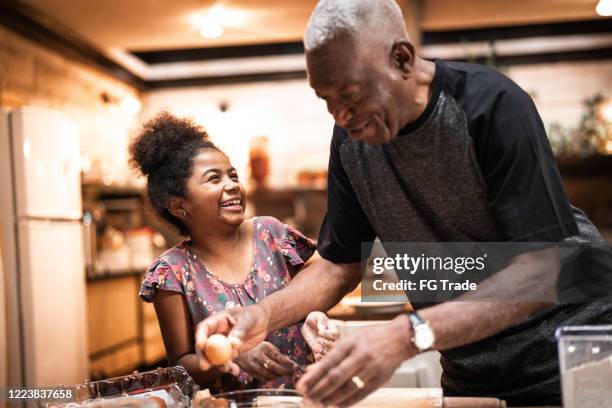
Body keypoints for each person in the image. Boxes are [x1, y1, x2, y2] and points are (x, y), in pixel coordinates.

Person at [194, 0, 612, 406]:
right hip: (473, 369)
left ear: (402, 59)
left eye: (352, 95)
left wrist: (404, 334)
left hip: (575, 353)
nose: (342, 115)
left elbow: (541, 269)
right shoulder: (351, 144)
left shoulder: (490, 105)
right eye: (327, 101)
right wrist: (261, 315)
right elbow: (339, 265)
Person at [128, 112, 338, 394]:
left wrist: (314, 314)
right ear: (179, 206)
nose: (232, 185)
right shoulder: (172, 271)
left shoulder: (271, 234)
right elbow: (179, 367)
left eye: (233, 175)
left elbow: (317, 281)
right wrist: (230, 355)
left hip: (301, 397)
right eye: (214, 179)